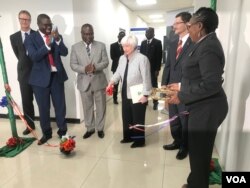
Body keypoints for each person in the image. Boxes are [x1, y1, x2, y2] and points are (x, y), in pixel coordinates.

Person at [167, 7, 228, 188]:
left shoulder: (208, 47)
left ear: (199, 26)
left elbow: (211, 84)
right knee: (198, 152)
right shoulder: (203, 43)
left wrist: (182, 95)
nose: (188, 27)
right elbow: (198, 76)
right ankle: (194, 181)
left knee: (199, 155)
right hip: (202, 106)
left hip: (207, 109)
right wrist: (180, 86)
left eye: (190, 24)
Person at [24, 14, 68, 145]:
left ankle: (63, 132)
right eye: (45, 25)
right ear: (38, 25)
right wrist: (47, 46)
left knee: (60, 106)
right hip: (39, 80)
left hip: (56, 77)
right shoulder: (30, 38)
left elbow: (64, 52)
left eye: (50, 24)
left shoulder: (56, 36)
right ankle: (46, 134)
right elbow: (34, 56)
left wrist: (58, 39)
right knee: (43, 108)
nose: (49, 27)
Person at [107, 34, 152, 148]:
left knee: (137, 117)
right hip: (125, 91)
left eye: (127, 46)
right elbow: (118, 73)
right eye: (123, 46)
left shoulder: (142, 59)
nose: (124, 48)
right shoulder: (122, 58)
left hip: (138, 92)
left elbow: (146, 78)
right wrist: (111, 82)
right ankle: (128, 137)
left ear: (134, 46)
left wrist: (146, 95)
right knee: (126, 116)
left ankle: (139, 141)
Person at [161, 12, 193, 160]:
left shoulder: (194, 43)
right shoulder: (173, 42)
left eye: (177, 23)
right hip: (170, 88)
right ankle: (177, 141)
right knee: (173, 117)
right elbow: (168, 66)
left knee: (184, 119)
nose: (173, 26)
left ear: (187, 24)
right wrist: (163, 88)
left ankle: (184, 146)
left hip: (184, 89)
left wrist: (182, 86)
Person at [70, 23, 109, 139]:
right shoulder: (75, 47)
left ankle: (100, 128)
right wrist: (84, 69)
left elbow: (106, 62)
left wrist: (95, 67)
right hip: (84, 82)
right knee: (87, 107)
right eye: (86, 34)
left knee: (101, 106)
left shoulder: (101, 46)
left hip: (99, 81)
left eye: (91, 34)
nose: (89, 36)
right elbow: (73, 64)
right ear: (81, 34)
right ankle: (90, 128)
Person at [10, 10, 36, 135]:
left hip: (38, 73)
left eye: (27, 19)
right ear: (19, 19)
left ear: (30, 21)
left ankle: (46, 125)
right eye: (22, 19)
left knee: (42, 100)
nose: (25, 21)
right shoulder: (13, 37)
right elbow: (18, 55)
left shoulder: (37, 35)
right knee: (26, 101)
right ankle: (30, 125)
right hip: (24, 74)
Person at [140, 27, 162, 110]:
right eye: (146, 33)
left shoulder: (158, 42)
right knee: (145, 85)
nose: (147, 34)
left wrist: (157, 69)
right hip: (143, 69)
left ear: (153, 33)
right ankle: (145, 100)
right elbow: (140, 56)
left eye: (149, 32)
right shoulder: (143, 43)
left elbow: (159, 57)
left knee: (154, 85)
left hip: (153, 69)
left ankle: (155, 102)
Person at [110, 31, 125, 104]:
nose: (122, 38)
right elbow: (112, 57)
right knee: (115, 84)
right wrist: (121, 59)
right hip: (116, 67)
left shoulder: (126, 45)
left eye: (124, 36)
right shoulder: (113, 45)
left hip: (125, 68)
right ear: (118, 36)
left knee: (125, 84)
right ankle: (114, 98)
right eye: (121, 36)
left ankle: (124, 98)